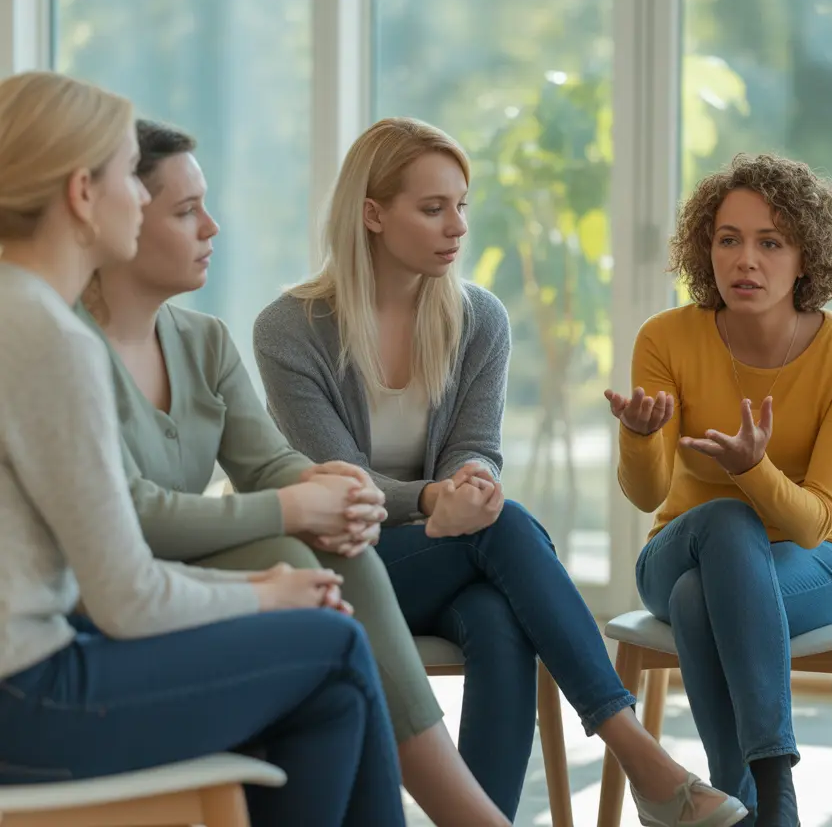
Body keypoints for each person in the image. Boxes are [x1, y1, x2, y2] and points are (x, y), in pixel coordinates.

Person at [253, 116, 748, 827]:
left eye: (461, 205)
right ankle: (640, 757)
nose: (457, 226)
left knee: (496, 613)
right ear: (372, 214)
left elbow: (477, 445)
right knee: (506, 528)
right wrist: (436, 498)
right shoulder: (289, 329)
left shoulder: (478, 317)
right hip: (343, 564)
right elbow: (342, 479)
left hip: (447, 555)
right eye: (433, 208)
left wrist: (469, 485)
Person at [0, 71, 405, 827]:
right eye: (131, 174)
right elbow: (126, 599)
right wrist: (267, 594)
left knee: (311, 657)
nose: (140, 196)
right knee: (335, 654)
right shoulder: (49, 338)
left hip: (35, 665)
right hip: (26, 699)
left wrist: (262, 588)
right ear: (82, 194)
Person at [81, 119, 512, 826]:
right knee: (302, 557)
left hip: (183, 568)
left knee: (337, 555)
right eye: (186, 211)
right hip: (112, 589)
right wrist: (296, 507)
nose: (212, 227)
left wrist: (340, 487)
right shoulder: (64, 347)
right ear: (116, 217)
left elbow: (268, 463)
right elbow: (128, 517)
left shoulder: (202, 340)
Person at [609, 153, 832, 827]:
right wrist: (641, 437)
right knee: (726, 523)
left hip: (814, 564)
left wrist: (751, 469)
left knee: (699, 597)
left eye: (771, 242)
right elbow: (647, 495)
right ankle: (778, 795)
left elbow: (815, 522)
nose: (745, 261)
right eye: (728, 239)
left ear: (806, 256)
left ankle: (742, 804)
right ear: (706, 249)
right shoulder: (666, 337)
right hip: (677, 550)